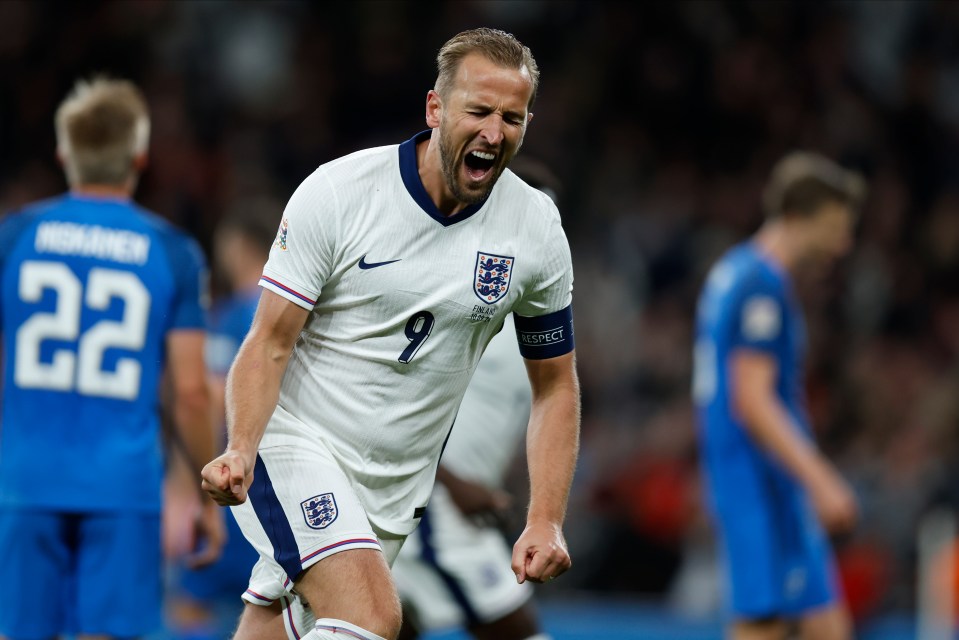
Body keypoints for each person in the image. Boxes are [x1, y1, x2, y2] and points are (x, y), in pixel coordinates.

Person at [201, 27, 580, 640]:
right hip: (294, 446)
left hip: (394, 489)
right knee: (371, 615)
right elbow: (269, 341)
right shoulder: (341, 193)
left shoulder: (534, 228)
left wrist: (546, 518)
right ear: (435, 108)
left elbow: (555, 385)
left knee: (276, 626)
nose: (494, 132)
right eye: (478, 111)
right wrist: (242, 446)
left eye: (512, 117)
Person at [0, 77, 224, 639]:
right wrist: (207, 497)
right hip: (122, 486)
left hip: (25, 480)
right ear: (140, 157)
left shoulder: (15, 236)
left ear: (64, 154)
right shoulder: (172, 251)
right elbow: (192, 393)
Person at [692, 151, 866, 640]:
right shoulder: (761, 287)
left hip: (764, 482)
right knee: (762, 626)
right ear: (800, 217)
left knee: (827, 625)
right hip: (756, 483)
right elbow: (753, 398)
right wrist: (821, 479)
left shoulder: (735, 271)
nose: (843, 244)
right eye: (836, 227)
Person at [391, 158, 561, 640]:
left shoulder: (537, 320)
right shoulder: (462, 303)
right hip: (435, 506)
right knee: (519, 631)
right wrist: (452, 480)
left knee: (389, 625)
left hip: (459, 508)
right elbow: (401, 401)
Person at [165, 204, 278, 639]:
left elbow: (208, 399)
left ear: (237, 247)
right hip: (286, 497)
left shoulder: (237, 315)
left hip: (232, 492)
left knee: (191, 605)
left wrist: (182, 490)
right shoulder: (301, 315)